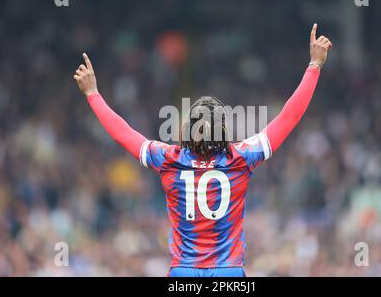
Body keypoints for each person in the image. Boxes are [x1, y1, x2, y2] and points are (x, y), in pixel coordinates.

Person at [73, 23, 332, 277]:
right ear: (223, 130)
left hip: (183, 272)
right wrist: (314, 66)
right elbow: (289, 117)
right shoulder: (241, 158)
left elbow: (123, 133)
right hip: (228, 272)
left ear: (188, 130)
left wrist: (93, 93)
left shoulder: (168, 159)